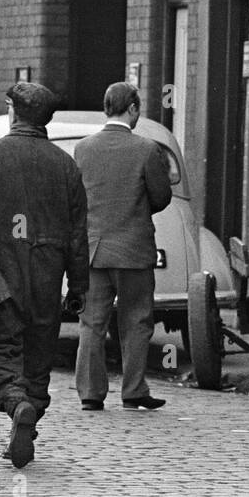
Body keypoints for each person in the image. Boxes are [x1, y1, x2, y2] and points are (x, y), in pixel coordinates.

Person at [0, 82, 89, 468]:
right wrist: (78, 287)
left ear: (12, 112)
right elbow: (79, 234)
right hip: (47, 279)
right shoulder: (66, 166)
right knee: (37, 358)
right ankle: (27, 415)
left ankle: (16, 405)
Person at [73, 83, 172, 412]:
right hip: (133, 249)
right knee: (136, 321)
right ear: (132, 108)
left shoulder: (83, 148)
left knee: (91, 323)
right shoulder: (147, 149)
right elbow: (160, 196)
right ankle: (133, 390)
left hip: (94, 250)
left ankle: (90, 393)